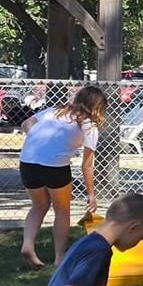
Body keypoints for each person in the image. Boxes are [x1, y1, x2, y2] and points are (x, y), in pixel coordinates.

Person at [18, 84, 107, 268]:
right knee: (62, 209)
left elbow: (25, 124)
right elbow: (87, 166)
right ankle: (59, 258)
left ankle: (27, 245)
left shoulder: (54, 111)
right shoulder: (89, 125)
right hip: (55, 166)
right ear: (97, 107)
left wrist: (40, 139)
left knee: (38, 206)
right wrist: (91, 193)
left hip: (28, 161)